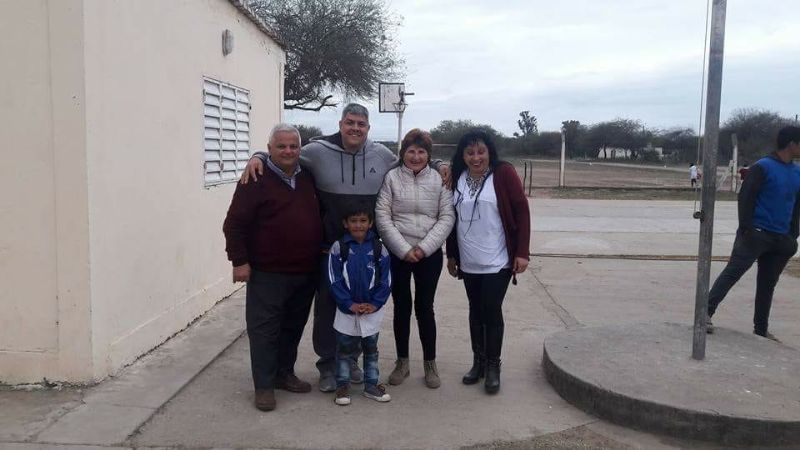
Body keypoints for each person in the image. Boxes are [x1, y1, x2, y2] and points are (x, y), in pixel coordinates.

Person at [240, 103, 450, 392]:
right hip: (329, 250)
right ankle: (327, 365)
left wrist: (439, 164)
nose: (355, 128)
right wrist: (258, 155)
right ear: (341, 124)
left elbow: (413, 159)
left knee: (360, 307)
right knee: (328, 309)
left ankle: (350, 360)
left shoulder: (382, 155)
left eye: (361, 124)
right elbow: (285, 154)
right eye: (350, 122)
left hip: (364, 251)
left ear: (368, 128)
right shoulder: (316, 151)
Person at [222, 124, 322, 411]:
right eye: (281, 146)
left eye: (293, 146)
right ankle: (264, 386)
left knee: (292, 327)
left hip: (305, 271)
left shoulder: (308, 177)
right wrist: (239, 261)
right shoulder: (256, 178)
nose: (288, 151)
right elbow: (234, 224)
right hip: (267, 272)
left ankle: (284, 374)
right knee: (264, 330)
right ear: (269, 149)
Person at [445, 130, 531, 394]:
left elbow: (521, 210)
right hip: (469, 259)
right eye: (470, 152)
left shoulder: (503, 173)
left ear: (489, 152)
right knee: (475, 310)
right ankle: (478, 363)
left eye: (480, 151)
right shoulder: (456, 178)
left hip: (498, 259)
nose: (475, 157)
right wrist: (451, 254)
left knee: (491, 310)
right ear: (462, 155)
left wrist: (522, 252)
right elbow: (451, 219)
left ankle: (494, 366)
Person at [375, 129, 455, 389]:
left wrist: (424, 248)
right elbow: (382, 216)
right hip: (399, 254)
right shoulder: (391, 179)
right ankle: (402, 362)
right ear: (403, 153)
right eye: (411, 151)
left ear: (428, 155)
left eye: (421, 152)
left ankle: (430, 364)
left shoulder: (439, 180)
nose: (416, 156)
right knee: (401, 308)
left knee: (424, 308)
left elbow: (447, 217)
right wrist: (403, 249)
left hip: (428, 254)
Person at [706, 126, 800, 342]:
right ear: (792, 144)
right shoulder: (763, 167)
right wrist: (747, 229)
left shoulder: (797, 172)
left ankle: (761, 329)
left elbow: (796, 206)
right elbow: (745, 198)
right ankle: (705, 312)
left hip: (780, 238)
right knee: (733, 273)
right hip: (756, 234)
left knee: (768, 283)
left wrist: (792, 235)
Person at [328, 202, 392, 405]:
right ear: (345, 224)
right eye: (353, 221)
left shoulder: (379, 248)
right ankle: (342, 387)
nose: (358, 225)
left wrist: (374, 304)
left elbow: (386, 280)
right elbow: (333, 279)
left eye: (363, 221)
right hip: (346, 311)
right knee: (344, 350)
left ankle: (371, 385)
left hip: (371, 311)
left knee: (371, 350)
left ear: (371, 223)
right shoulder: (339, 248)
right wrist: (349, 304)